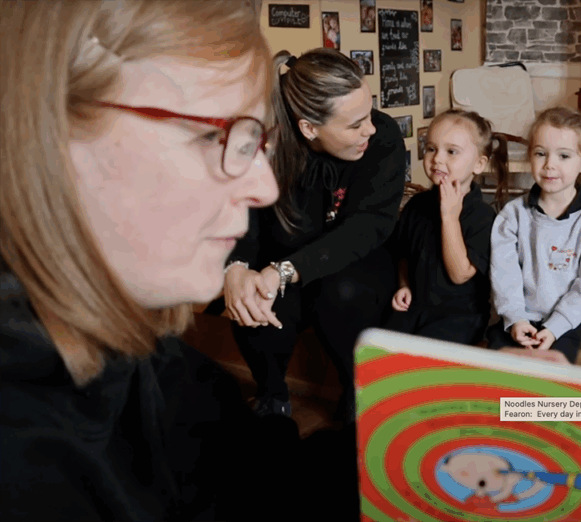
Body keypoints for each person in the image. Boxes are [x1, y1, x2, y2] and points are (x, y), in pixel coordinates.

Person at [1, 2, 360, 520]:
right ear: (46, 133)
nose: (263, 186)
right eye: (215, 134)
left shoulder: (160, 370)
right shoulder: (24, 465)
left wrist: (505, 408)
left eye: (256, 140)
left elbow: (276, 482)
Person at [211, 47, 406, 421]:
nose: (370, 128)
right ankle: (272, 393)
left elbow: (366, 227)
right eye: (354, 124)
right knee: (258, 298)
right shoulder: (262, 139)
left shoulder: (381, 140)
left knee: (342, 293)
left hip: (354, 261)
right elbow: (242, 211)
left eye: (369, 113)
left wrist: (285, 270)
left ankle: (357, 389)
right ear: (309, 128)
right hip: (280, 253)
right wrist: (236, 269)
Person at [488, 107, 581, 364]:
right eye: (540, 153)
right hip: (519, 319)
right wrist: (515, 319)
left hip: (570, 323)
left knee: (554, 373)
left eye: (563, 156)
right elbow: (504, 274)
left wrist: (555, 327)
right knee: (500, 370)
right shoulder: (512, 215)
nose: (549, 165)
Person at [386, 110, 508, 344]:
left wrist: (449, 217)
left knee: (426, 368)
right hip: (415, 307)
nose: (437, 159)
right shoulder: (417, 205)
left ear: (479, 163)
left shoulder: (483, 217)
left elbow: (460, 274)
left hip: (459, 317)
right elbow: (402, 254)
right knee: (380, 355)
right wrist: (404, 285)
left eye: (451, 151)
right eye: (431, 148)